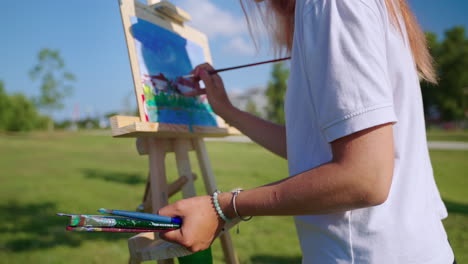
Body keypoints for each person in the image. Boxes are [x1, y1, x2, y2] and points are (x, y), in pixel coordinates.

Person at [158, 0, 455, 263]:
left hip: (369, 254)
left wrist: (225, 207)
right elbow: (310, 147)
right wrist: (227, 111)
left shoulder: (330, 6)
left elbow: (365, 178)